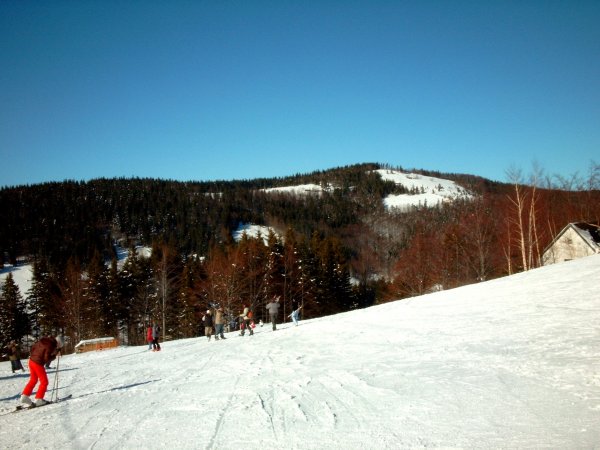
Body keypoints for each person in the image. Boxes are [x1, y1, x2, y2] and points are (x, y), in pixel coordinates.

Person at [20, 336, 62, 407]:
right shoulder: (51, 345)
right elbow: (46, 358)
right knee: (44, 381)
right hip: (38, 363)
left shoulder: (44, 340)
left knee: (33, 380)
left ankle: (25, 396)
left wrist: (34, 356)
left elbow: (33, 348)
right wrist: (54, 355)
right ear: (59, 343)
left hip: (31, 361)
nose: (58, 347)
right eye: (59, 345)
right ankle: (39, 399)